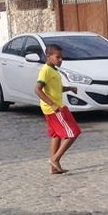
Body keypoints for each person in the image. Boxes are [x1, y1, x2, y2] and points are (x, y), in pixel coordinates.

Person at [35, 44, 81, 174]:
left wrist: (69, 88)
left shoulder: (53, 70)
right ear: (48, 57)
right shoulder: (46, 70)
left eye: (62, 57)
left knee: (56, 135)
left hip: (56, 106)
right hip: (55, 108)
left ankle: (54, 167)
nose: (61, 59)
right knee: (73, 133)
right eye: (57, 57)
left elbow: (56, 88)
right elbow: (37, 89)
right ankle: (55, 159)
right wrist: (52, 104)